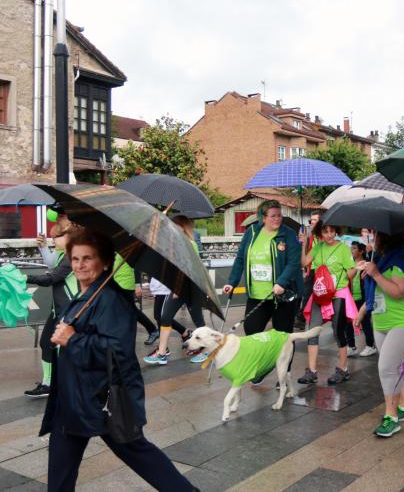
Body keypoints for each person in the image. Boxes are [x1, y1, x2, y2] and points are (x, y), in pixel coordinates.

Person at [40, 228, 196, 491]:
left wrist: (72, 339)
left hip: (102, 397)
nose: (80, 265)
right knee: (61, 469)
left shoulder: (111, 300)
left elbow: (117, 350)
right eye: (75, 259)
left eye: (88, 258)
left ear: (104, 262)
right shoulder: (85, 296)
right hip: (73, 398)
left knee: (137, 452)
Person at [355, 232, 404, 438]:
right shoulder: (379, 259)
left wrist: (376, 274)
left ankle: (391, 417)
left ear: (386, 238)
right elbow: (374, 291)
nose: (374, 239)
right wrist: (362, 311)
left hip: (403, 322)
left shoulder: (401, 259)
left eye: (377, 236)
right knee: (394, 367)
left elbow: (399, 291)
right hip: (381, 321)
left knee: (386, 368)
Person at [223, 200, 302, 377]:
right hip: (257, 295)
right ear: (263, 217)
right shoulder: (251, 233)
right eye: (273, 216)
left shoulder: (288, 235)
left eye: (279, 215)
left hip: (281, 296)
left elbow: (293, 262)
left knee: (284, 337)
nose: (278, 219)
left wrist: (281, 282)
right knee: (251, 331)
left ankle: (285, 374)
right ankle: (261, 368)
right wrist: (232, 282)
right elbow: (240, 259)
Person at [144, 215, 210, 366]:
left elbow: (191, 269)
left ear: (183, 227)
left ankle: (206, 350)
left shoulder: (190, 244)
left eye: (176, 226)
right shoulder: (171, 245)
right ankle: (161, 354)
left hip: (191, 288)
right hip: (176, 289)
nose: (172, 229)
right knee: (165, 317)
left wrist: (178, 288)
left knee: (199, 321)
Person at [24, 224, 80, 398]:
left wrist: (26, 277)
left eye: (57, 236)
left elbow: (53, 278)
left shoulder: (72, 256)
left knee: (63, 347)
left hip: (69, 310)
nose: (53, 240)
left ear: (69, 237)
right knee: (47, 344)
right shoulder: (64, 255)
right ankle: (49, 383)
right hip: (59, 310)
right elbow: (52, 269)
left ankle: (61, 382)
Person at [299, 222, 357, 385]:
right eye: (325, 232)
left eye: (332, 231)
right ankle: (311, 371)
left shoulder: (343, 249)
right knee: (313, 330)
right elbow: (304, 263)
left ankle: (343, 369)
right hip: (320, 293)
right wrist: (304, 245)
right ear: (320, 233)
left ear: (337, 231)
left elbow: (350, 272)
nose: (329, 235)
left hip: (338, 293)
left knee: (338, 331)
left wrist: (354, 270)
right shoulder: (318, 248)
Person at [348, 242, 377, 357]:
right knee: (348, 323)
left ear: (361, 251)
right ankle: (351, 346)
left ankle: (370, 346)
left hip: (362, 297)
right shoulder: (350, 263)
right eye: (352, 248)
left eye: (354, 248)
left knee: (365, 322)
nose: (352, 250)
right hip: (351, 297)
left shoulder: (366, 263)